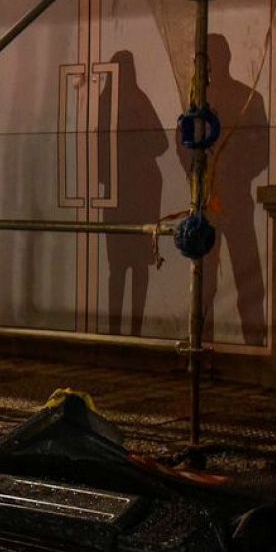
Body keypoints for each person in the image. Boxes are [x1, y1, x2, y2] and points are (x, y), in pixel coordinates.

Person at [201, 34, 268, 346]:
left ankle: (244, 341)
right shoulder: (205, 100)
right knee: (214, 281)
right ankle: (209, 340)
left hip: (229, 198)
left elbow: (261, 151)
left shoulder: (245, 99)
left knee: (243, 276)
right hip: (216, 199)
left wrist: (230, 175)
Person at [101, 50, 168, 337]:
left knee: (119, 268)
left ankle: (117, 330)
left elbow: (99, 150)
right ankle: (133, 330)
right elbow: (161, 143)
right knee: (136, 267)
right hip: (138, 194)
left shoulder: (106, 103)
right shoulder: (138, 100)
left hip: (120, 195)